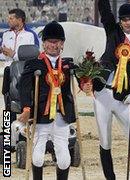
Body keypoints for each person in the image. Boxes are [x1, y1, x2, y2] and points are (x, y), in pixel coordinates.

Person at [82, 0, 130, 179]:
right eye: (124, 19)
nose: (128, 22)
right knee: (105, 141)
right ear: (120, 21)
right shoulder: (113, 32)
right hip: (103, 94)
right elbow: (105, 10)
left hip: (123, 98)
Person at [18, 21, 76, 180]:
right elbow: (23, 87)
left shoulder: (67, 64)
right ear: (43, 43)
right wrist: (26, 108)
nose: (53, 45)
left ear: (62, 43)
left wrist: (86, 83)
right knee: (37, 157)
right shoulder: (33, 64)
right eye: (49, 42)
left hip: (61, 117)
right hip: (40, 117)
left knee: (64, 160)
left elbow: (83, 80)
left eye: (56, 41)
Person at [1, 8, 39, 124]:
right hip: (8, 71)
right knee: (7, 103)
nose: (8, 20)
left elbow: (35, 55)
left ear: (20, 20)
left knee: (24, 101)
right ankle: (7, 136)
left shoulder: (31, 35)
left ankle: (23, 136)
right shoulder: (6, 34)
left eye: (11, 18)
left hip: (24, 73)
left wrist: (14, 54)